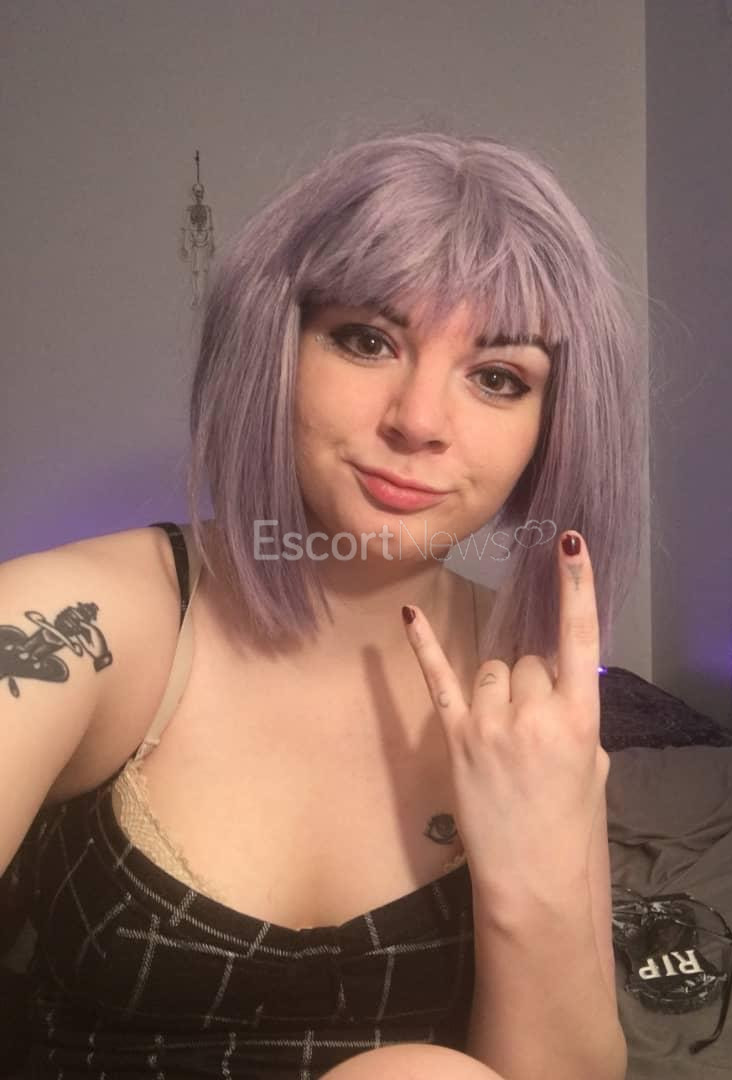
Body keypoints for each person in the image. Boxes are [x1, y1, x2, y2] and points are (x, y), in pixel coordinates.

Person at [0, 126, 644, 1079]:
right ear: (276, 347)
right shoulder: (78, 620)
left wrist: (537, 873)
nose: (418, 421)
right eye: (366, 340)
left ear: (552, 429)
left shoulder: (529, 690)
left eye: (497, 378)